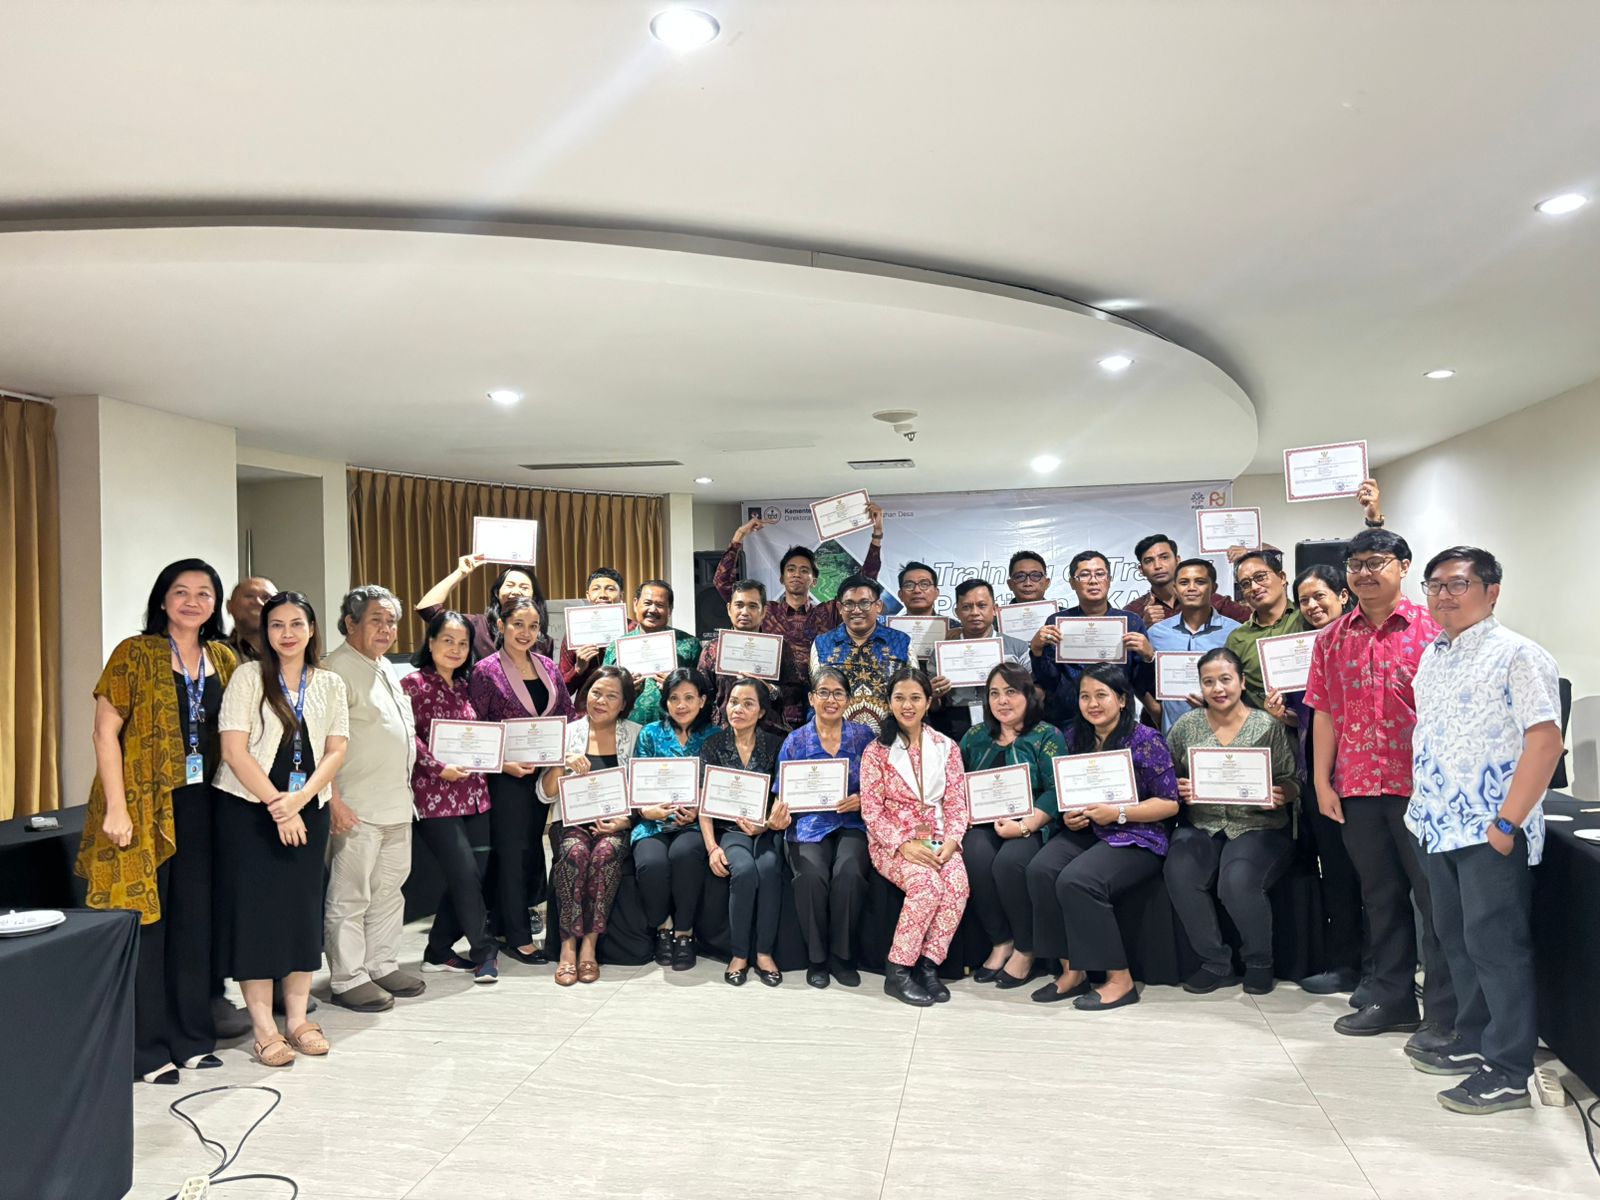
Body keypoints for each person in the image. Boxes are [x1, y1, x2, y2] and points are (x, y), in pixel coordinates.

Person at [1408, 547, 1563, 1114]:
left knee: (1497, 948)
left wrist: (1506, 824)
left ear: (1492, 590)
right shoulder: (1435, 654)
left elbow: (1546, 743)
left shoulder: (1518, 655)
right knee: (1458, 942)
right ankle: (1474, 1039)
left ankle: (1508, 1066)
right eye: (1435, 585)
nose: (1443, 595)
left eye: (1457, 584)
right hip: (1436, 825)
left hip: (1489, 831)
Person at [77, 559, 238, 1084]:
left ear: (215, 604)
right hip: (143, 806)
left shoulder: (224, 658)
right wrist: (118, 809)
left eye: (204, 593)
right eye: (181, 591)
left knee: (195, 924)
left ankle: (192, 1038)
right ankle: (146, 1049)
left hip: (205, 807)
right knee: (150, 925)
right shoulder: (135, 653)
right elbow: (105, 734)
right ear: (163, 599)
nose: (193, 601)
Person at [1306, 528, 1457, 1043]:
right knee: (1382, 898)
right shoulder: (1331, 638)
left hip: (1423, 790)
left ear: (1404, 565)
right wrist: (1324, 782)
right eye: (1355, 564)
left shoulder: (1434, 630)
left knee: (1435, 903)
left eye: (1376, 562)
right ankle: (1392, 999)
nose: (1364, 573)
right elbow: (1324, 713)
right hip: (1358, 787)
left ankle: (1444, 1012)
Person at [214, 592, 349, 1067]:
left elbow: (336, 750)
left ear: (312, 629)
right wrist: (278, 804)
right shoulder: (249, 676)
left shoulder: (330, 683)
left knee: (299, 912)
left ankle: (297, 1018)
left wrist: (301, 800)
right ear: (266, 632)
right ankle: (264, 1028)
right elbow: (233, 749)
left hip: (307, 807)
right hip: (248, 809)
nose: (287, 633)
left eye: (297, 623)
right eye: (276, 625)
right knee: (255, 916)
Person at [1026, 665, 1180, 1010]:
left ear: (1122, 700)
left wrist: (1119, 812)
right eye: (1085, 696)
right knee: (1040, 869)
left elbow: (1169, 803)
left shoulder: (1146, 740)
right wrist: (1070, 814)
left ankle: (1120, 980)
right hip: (1088, 830)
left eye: (1101, 695)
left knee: (1078, 881)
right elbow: (1066, 794)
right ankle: (1071, 971)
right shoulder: (1073, 738)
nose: (1092, 704)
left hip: (1134, 834)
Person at [1163, 647, 1300, 995]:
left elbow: (1292, 779)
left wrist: (1282, 793)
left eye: (1225, 679)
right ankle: (1215, 962)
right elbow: (1166, 781)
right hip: (1203, 823)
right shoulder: (1186, 726)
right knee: (1180, 873)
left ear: (1241, 681)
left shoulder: (1266, 725)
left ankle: (1259, 961)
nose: (1218, 689)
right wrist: (1179, 788)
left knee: (1237, 881)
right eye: (1209, 682)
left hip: (1258, 824)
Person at [1268, 563, 1366, 998]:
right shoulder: (1305, 648)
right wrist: (1283, 716)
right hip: (1318, 777)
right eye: (1304, 600)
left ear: (1344, 596)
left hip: (1367, 778)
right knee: (1338, 872)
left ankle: (1384, 966)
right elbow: (1306, 717)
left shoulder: (1361, 640)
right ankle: (1345, 963)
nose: (1311, 606)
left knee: (1376, 877)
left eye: (1320, 596)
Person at [322, 585, 421, 1013]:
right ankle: (347, 978)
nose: (386, 629)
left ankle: (380, 963)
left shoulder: (384, 667)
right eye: (376, 620)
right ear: (350, 624)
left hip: (396, 802)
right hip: (355, 806)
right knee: (350, 897)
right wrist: (334, 800)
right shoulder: (334, 670)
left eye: (392, 621)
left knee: (389, 890)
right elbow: (320, 744)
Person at [470, 596, 576, 965]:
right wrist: (504, 762)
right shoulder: (485, 671)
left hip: (543, 776)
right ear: (500, 625)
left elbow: (567, 712)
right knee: (511, 855)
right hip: (506, 778)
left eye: (533, 626)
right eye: (518, 625)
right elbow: (477, 730)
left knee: (530, 850)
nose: (526, 633)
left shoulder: (547, 666)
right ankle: (517, 937)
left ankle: (503, 924)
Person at [714, 504, 886, 725]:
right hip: (773, 704)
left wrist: (877, 536)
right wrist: (739, 536)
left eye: (805, 570)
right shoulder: (768, 611)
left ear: (813, 580)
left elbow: (865, 582)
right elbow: (723, 584)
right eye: (791, 569)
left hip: (821, 702)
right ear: (781, 578)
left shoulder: (829, 612)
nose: (797, 574)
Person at [861, 667, 971, 1007]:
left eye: (915, 698)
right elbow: (872, 812)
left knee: (957, 886)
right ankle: (898, 969)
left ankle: (927, 966)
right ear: (889, 702)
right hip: (893, 842)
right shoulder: (876, 751)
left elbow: (956, 802)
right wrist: (903, 846)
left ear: (928, 702)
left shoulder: (946, 747)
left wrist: (952, 840)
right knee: (927, 886)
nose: (907, 705)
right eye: (899, 698)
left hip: (937, 837)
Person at [402, 611, 500, 985]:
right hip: (434, 794)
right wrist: (436, 765)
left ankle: (439, 950)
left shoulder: (467, 684)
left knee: (474, 875)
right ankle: (484, 951)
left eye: (462, 643)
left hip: (475, 793)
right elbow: (405, 736)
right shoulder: (411, 685)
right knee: (462, 872)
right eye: (448, 640)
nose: (456, 649)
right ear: (430, 643)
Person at [959, 662, 1066, 989]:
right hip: (983, 823)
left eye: (1010, 692)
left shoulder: (1047, 735)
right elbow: (958, 783)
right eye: (994, 693)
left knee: (1009, 862)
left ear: (1028, 695)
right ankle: (1000, 940)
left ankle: (1025, 947)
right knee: (974, 855)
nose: (1002, 701)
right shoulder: (975, 736)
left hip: (1031, 823)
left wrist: (1025, 825)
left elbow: (1055, 790)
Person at [537, 666, 642, 985]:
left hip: (616, 823)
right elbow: (544, 795)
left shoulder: (637, 734)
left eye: (612, 696)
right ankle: (568, 947)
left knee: (604, 855)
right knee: (575, 854)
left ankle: (590, 947)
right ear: (586, 693)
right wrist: (561, 764)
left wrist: (626, 820)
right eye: (597, 692)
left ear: (624, 704)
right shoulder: (568, 734)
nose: (602, 701)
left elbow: (642, 791)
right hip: (570, 822)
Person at [776, 667, 876, 989]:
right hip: (808, 825)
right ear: (811, 698)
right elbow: (783, 794)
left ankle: (842, 957)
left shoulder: (863, 737)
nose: (830, 700)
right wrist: (779, 813)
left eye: (838, 693)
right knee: (811, 875)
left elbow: (880, 785)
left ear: (848, 699)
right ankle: (817, 958)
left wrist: (862, 799)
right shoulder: (795, 741)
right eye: (824, 693)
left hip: (851, 822)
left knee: (848, 872)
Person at [700, 678, 792, 986]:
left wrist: (766, 823)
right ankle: (739, 953)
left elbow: (783, 795)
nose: (738, 709)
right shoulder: (713, 744)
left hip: (765, 829)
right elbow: (704, 803)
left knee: (767, 869)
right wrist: (712, 847)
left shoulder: (775, 745)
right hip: (730, 830)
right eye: (734, 702)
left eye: (748, 703)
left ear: (762, 712)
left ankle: (764, 952)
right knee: (744, 870)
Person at [631, 667, 717, 971]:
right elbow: (636, 784)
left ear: (703, 700)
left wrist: (699, 810)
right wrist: (645, 811)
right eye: (674, 698)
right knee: (651, 863)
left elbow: (718, 786)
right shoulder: (650, 733)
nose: (681, 705)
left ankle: (684, 932)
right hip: (653, 822)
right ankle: (663, 926)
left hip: (694, 823)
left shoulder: (715, 736)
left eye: (689, 698)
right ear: (665, 701)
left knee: (684, 855)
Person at [1031, 550, 1152, 728]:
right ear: (1072, 583)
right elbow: (1049, 680)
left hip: (1117, 723)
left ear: (1109, 580)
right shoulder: (1057, 623)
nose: (1093, 580)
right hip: (1067, 721)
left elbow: (1140, 682)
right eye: (1084, 575)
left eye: (1100, 574)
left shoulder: (1131, 622)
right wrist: (1036, 651)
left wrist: (1149, 657)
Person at [1138, 558, 1242, 733]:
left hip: (1224, 731)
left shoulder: (1235, 633)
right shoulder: (1156, 633)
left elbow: (1242, 684)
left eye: (1200, 582)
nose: (1191, 588)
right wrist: (1155, 710)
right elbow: (1141, 677)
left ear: (1214, 588)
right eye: (1184, 583)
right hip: (1173, 733)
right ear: (1175, 589)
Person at [928, 578, 1032, 742]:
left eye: (982, 605)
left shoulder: (1018, 648)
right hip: (955, 723)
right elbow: (935, 707)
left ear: (995, 609)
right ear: (957, 612)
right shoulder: (942, 652)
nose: (975, 612)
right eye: (967, 607)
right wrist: (933, 695)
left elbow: (1031, 695)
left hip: (1008, 721)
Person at [809, 574, 912, 734]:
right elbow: (817, 698)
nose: (856, 610)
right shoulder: (822, 644)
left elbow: (913, 693)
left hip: (890, 741)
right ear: (840, 608)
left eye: (864, 603)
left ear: (878, 606)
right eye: (849, 604)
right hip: (838, 741)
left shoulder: (901, 642)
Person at [603, 579, 701, 727]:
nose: (653, 610)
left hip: (674, 730)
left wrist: (678, 686)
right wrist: (624, 688)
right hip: (626, 729)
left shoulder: (689, 644)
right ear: (635, 604)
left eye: (660, 605)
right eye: (647, 603)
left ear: (670, 610)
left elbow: (703, 689)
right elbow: (604, 688)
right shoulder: (615, 646)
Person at [416, 554, 552, 659]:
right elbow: (427, 609)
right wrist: (460, 572)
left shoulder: (543, 642)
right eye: (510, 585)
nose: (516, 591)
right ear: (497, 592)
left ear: (533, 596)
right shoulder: (477, 626)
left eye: (524, 587)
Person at [1224, 549, 1307, 708]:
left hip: (1314, 724)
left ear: (1282, 577)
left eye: (1260, 577)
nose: (1254, 587)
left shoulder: (1307, 618)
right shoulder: (1238, 638)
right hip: (1263, 728)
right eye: (1246, 584)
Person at [1125, 534, 1249, 628]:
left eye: (1164, 557)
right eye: (1149, 561)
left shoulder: (1216, 602)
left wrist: (1248, 561)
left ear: (1177, 560)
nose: (1158, 565)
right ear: (1141, 570)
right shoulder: (1134, 611)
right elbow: (1124, 655)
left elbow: (1259, 623)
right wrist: (1143, 627)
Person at [696, 578, 769, 727]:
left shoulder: (777, 648)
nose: (745, 612)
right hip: (722, 735)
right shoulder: (712, 649)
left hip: (769, 734)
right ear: (729, 609)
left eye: (753, 606)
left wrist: (771, 690)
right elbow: (702, 694)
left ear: (764, 611)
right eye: (739, 605)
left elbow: (793, 695)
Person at [558, 566, 628, 697]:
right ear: (588, 596)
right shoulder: (574, 634)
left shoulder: (633, 630)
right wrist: (578, 669)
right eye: (596, 589)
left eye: (610, 589)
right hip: (587, 710)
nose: (602, 595)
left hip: (627, 710)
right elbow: (562, 691)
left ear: (621, 596)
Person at [224, 575, 275, 663]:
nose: (258, 602)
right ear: (229, 606)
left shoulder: (299, 651)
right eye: (249, 596)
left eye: (266, 597)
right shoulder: (213, 655)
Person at [895, 561, 956, 628]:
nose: (917, 590)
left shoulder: (953, 627)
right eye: (909, 585)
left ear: (936, 593)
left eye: (924, 584)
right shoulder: (890, 629)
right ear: (900, 594)